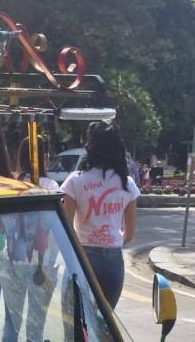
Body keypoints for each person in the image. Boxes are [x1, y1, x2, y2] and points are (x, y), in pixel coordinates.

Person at [60, 119, 140, 308]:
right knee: (105, 321)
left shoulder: (75, 181)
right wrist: (111, 239)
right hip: (113, 262)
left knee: (73, 319)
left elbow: (66, 229)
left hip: (83, 258)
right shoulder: (127, 184)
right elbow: (129, 234)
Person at [0, 136, 59, 342]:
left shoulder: (10, 186)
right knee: (36, 325)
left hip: (13, 262)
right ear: (43, 157)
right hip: (42, 266)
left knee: (11, 322)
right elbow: (57, 231)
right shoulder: (51, 187)